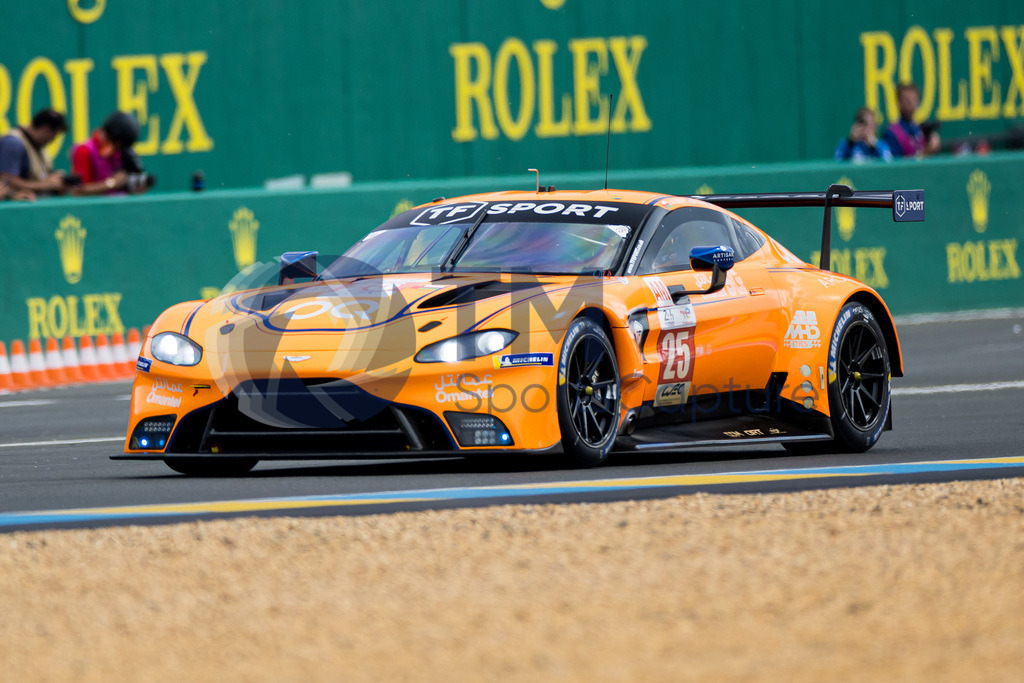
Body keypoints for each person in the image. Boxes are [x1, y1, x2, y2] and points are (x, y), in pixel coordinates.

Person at [70, 111, 152, 195]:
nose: (119, 149)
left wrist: (135, 188)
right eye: (119, 144)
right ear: (113, 136)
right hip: (95, 207)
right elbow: (77, 191)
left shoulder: (122, 153)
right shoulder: (84, 150)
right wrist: (112, 183)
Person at [0, 108, 70, 199]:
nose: (52, 140)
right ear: (45, 129)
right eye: (54, 136)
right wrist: (44, 185)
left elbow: (42, 177)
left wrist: (56, 185)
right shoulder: (13, 143)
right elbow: (7, 181)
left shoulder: (39, 146)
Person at [883, 82, 941, 158]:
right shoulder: (892, 133)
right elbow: (896, 164)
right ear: (898, 103)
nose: (911, 104)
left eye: (914, 100)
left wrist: (933, 146)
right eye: (907, 100)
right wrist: (925, 153)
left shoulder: (920, 130)